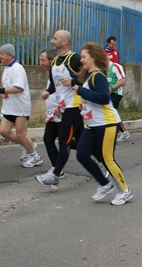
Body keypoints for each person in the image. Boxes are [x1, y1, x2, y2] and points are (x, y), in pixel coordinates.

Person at [71, 42, 132, 205]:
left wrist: (81, 91)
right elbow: (90, 97)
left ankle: (125, 191)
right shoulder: (88, 76)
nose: (81, 59)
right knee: (82, 154)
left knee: (107, 159)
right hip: (92, 124)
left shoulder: (98, 75)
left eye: (84, 56)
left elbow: (104, 98)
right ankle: (104, 184)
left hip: (107, 123)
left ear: (93, 57)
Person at [36, 30, 85, 185]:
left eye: (55, 38)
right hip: (63, 108)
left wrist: (73, 81)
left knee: (64, 141)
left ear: (64, 42)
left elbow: (87, 77)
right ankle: (102, 158)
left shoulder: (75, 59)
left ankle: (55, 175)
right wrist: (47, 92)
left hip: (74, 106)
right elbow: (54, 82)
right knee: (83, 140)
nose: (52, 41)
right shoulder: (56, 60)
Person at [0, 43, 43, 167]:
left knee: (20, 134)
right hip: (9, 108)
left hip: (20, 108)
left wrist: (2, 90)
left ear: (9, 55)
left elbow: (18, 88)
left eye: (2, 54)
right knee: (3, 131)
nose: (0, 56)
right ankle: (27, 145)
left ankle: (36, 157)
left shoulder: (17, 68)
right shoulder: (7, 68)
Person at [39, 48, 68, 178]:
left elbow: (68, 92)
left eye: (43, 60)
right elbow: (53, 90)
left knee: (67, 142)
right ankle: (57, 169)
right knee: (48, 139)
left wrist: (61, 108)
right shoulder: (52, 73)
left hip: (62, 114)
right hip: (52, 115)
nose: (40, 63)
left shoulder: (60, 72)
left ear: (51, 60)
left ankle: (96, 151)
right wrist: (47, 93)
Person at [107, 59, 130, 142]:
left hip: (116, 93)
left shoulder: (115, 67)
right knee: (110, 113)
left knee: (111, 112)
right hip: (106, 94)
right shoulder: (100, 68)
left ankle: (123, 132)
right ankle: (122, 132)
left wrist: (112, 88)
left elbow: (123, 80)